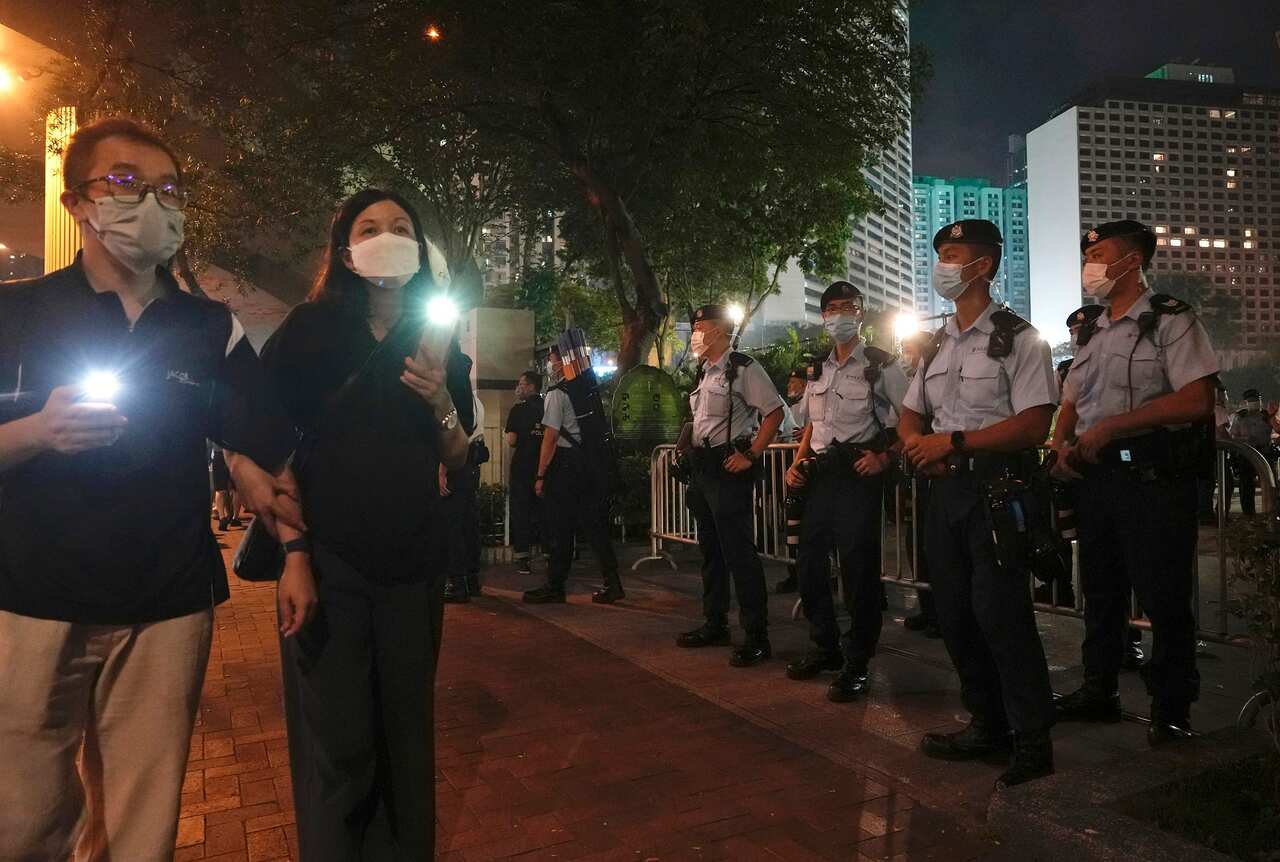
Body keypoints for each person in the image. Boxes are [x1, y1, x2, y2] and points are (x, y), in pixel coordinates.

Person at [0, 117, 299, 860]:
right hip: (32, 599)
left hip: (166, 603)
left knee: (141, 833)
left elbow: (254, 428)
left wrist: (247, 463)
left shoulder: (207, 325)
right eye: (126, 183)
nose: (153, 204)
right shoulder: (16, 312)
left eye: (169, 190)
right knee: (24, 822)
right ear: (77, 203)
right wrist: (38, 431)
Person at [261, 188, 472, 860]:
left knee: (407, 734)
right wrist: (294, 555)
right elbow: (269, 445)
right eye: (370, 227)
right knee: (340, 739)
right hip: (329, 562)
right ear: (346, 253)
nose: (389, 237)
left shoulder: (436, 338)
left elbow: (458, 451)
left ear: (420, 249)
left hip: (414, 562)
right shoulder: (310, 330)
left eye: (403, 227)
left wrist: (439, 397)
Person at [899, 219, 1058, 788]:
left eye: (952, 254)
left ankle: (1032, 738)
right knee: (955, 614)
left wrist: (956, 443)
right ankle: (986, 724)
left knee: (1001, 615)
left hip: (997, 492)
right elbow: (910, 413)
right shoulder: (936, 343)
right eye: (940, 253)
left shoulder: (1019, 338)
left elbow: (1035, 424)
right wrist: (920, 448)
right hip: (945, 491)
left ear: (983, 265)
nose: (941, 264)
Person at [1050, 219, 1217, 747]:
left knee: (1164, 598)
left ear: (1132, 261)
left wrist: (1113, 427)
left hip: (1153, 479)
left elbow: (1196, 400)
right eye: (1088, 256)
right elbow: (1071, 400)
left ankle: (1171, 709)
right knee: (1100, 592)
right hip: (1097, 480)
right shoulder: (1092, 330)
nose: (1090, 265)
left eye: (1100, 255)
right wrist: (1060, 443)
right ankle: (1098, 689)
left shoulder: (1170, 319)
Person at [783, 281, 908, 701]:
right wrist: (798, 462)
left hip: (858, 475)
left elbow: (912, 421)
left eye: (848, 307)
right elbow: (812, 425)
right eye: (832, 308)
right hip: (820, 476)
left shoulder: (881, 365)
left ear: (860, 313)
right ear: (823, 316)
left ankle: (858, 661)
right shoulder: (816, 368)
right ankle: (826, 646)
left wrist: (884, 459)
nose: (840, 314)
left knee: (858, 570)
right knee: (809, 564)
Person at [676, 305, 785, 667]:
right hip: (703, 469)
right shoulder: (704, 371)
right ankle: (715, 622)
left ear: (720, 330)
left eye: (700, 326)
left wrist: (751, 455)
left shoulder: (742, 368)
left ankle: (756, 636)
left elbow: (773, 412)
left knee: (739, 554)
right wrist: (685, 444)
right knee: (711, 553)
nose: (695, 332)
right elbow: (701, 421)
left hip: (728, 469)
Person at [522, 345, 623, 604]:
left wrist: (541, 474)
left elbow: (551, 436)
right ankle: (613, 582)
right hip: (587, 463)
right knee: (594, 525)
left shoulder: (557, 393)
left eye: (551, 360)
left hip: (565, 466)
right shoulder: (586, 389)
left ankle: (555, 585)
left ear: (561, 362)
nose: (550, 365)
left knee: (560, 526)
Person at [897, 330, 940, 638]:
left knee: (937, 546)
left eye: (910, 349)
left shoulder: (937, 379)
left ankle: (942, 613)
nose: (906, 356)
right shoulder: (913, 382)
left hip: (940, 468)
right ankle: (928, 608)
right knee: (916, 543)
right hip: (918, 470)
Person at [443, 390, 486, 602]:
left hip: (457, 464)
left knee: (454, 525)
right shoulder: (477, 402)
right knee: (469, 524)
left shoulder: (456, 402)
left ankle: (457, 583)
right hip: (471, 465)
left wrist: (442, 470)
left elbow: (452, 438)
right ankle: (472, 580)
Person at [506, 370, 545, 576]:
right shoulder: (548, 407)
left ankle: (523, 557)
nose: (518, 387)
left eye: (521, 384)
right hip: (544, 467)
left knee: (522, 512)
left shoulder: (518, 410)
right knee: (545, 511)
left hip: (522, 467)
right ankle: (549, 554)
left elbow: (511, 440)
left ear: (530, 386)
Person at [774, 368, 808, 595]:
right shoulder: (794, 405)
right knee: (792, 523)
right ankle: (795, 573)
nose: (789, 386)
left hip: (808, 467)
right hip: (792, 466)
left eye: (794, 382)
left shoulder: (810, 402)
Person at [1227, 388, 1276, 516]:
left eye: (1257, 400)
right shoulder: (1240, 417)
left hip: (1265, 453)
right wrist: (1245, 439)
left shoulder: (1266, 416)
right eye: (1252, 400)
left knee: (1270, 485)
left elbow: (1276, 430)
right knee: (1246, 486)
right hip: (1247, 454)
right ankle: (1249, 515)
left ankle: (1270, 513)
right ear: (1246, 402)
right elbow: (1232, 436)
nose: (1255, 403)